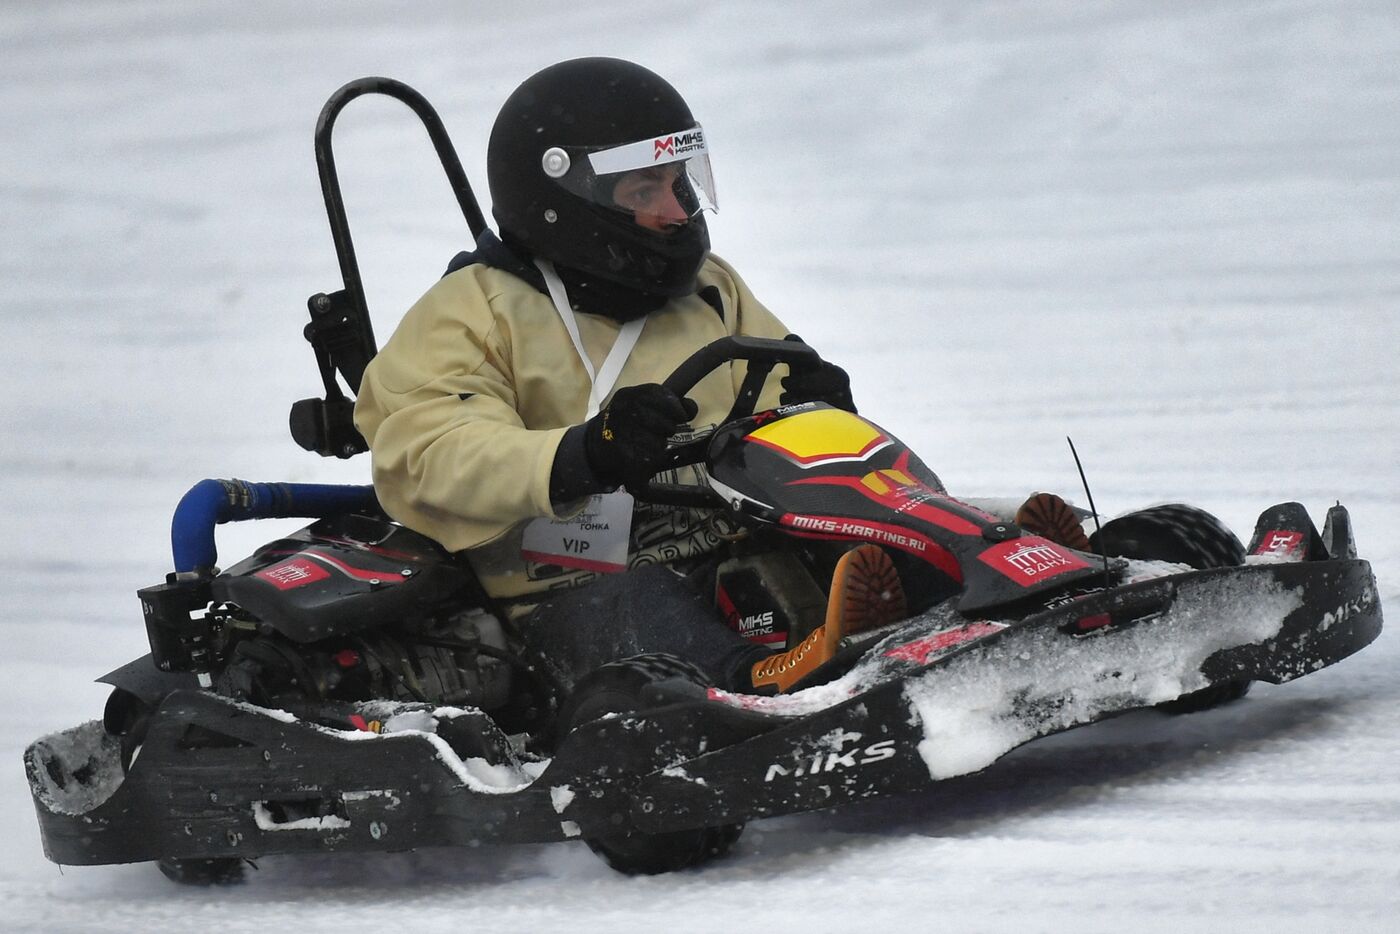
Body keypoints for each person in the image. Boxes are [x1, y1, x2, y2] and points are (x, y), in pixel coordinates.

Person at [354, 58, 1074, 696]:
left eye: (679, 183)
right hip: (572, 587)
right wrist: (582, 452)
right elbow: (423, 455)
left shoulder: (709, 286)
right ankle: (755, 685)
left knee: (863, 533)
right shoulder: (468, 312)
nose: (675, 212)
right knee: (642, 605)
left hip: (735, 536)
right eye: (645, 191)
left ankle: (995, 577)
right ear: (565, 200)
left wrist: (822, 401)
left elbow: (782, 379)